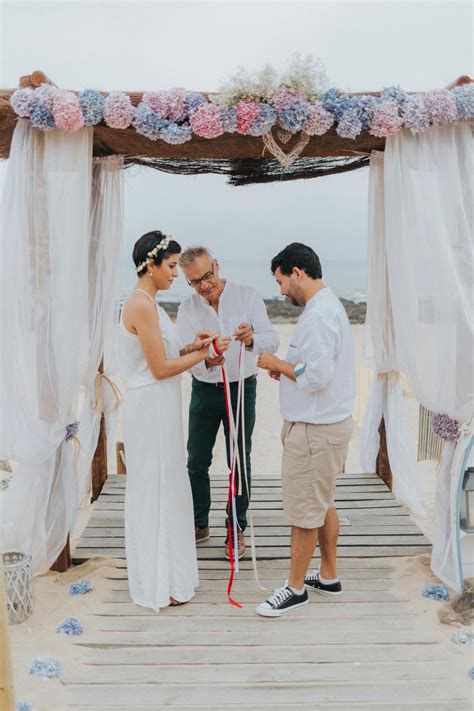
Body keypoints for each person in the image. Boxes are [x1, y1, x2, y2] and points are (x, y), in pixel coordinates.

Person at [119, 231, 230, 612]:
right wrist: (206, 355)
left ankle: (169, 574)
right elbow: (160, 368)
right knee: (155, 486)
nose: (174, 274)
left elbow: (165, 355)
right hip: (149, 409)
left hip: (159, 405)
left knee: (168, 484)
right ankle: (157, 580)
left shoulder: (149, 302)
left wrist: (192, 347)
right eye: (169, 267)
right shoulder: (142, 305)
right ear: (150, 266)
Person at [255, 242, 355, 617]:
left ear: (297, 273)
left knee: (303, 513)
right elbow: (313, 368)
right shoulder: (327, 306)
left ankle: (295, 589)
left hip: (315, 431)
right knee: (322, 502)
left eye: (281, 281)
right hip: (326, 426)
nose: (280, 291)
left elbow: (317, 377)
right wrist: (285, 367)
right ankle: (328, 576)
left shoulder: (318, 316)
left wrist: (277, 363)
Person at [177, 246, 279, 559]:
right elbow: (185, 355)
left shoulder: (248, 296)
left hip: (242, 387)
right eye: (195, 282)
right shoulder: (187, 308)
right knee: (196, 460)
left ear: (217, 266)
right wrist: (208, 357)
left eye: (207, 276)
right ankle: (198, 523)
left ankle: (236, 527)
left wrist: (250, 340)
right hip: (204, 389)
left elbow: (271, 339)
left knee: (240, 458)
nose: (204, 285)